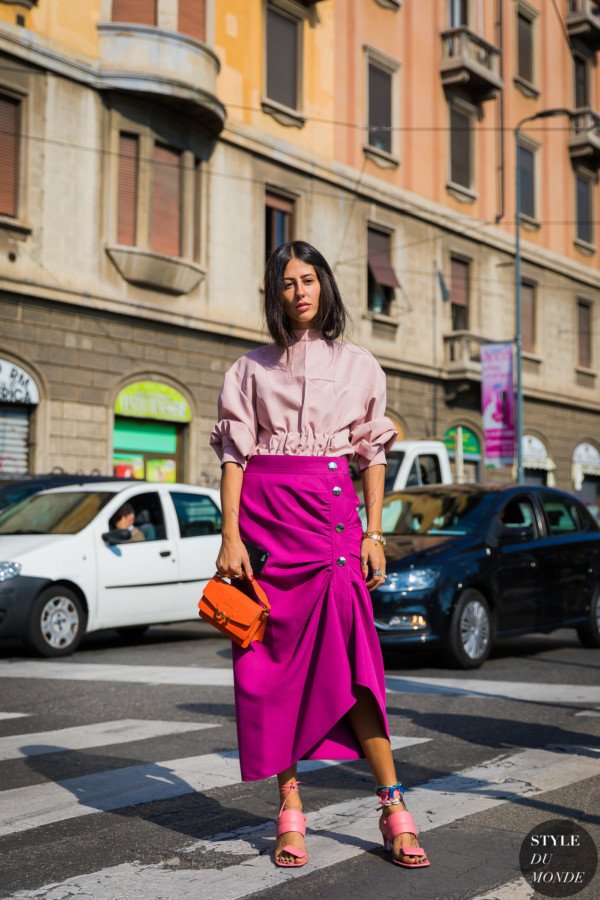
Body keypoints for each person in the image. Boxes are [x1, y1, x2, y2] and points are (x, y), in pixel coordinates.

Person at [210, 241, 430, 871]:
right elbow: (234, 459)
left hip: (334, 525)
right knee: (269, 668)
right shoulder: (247, 370)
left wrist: (373, 533)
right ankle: (290, 810)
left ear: (326, 287)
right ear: (274, 295)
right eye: (287, 283)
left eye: (309, 280)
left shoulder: (360, 364)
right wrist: (230, 536)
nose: (300, 291)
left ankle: (392, 806)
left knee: (357, 664)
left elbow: (372, 454)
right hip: (266, 529)